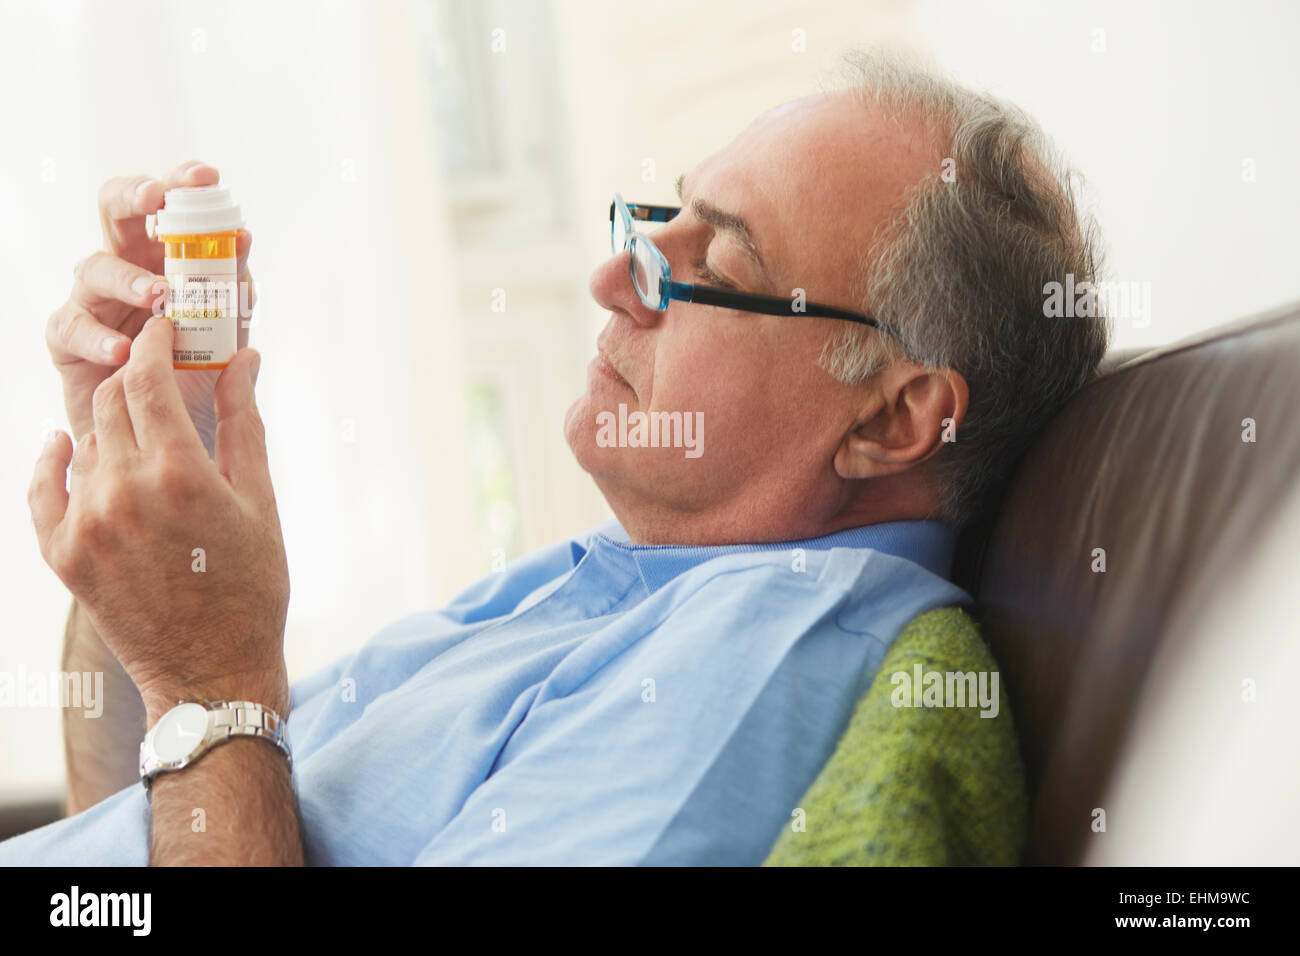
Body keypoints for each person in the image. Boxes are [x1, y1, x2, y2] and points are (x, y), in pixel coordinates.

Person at [3, 52, 1107, 865]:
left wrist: (215, 682)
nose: (612, 279)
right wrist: (168, 455)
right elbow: (140, 788)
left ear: (890, 419)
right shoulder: (615, 587)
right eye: (658, 222)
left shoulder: (762, 650)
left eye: (711, 256)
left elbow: (203, 722)